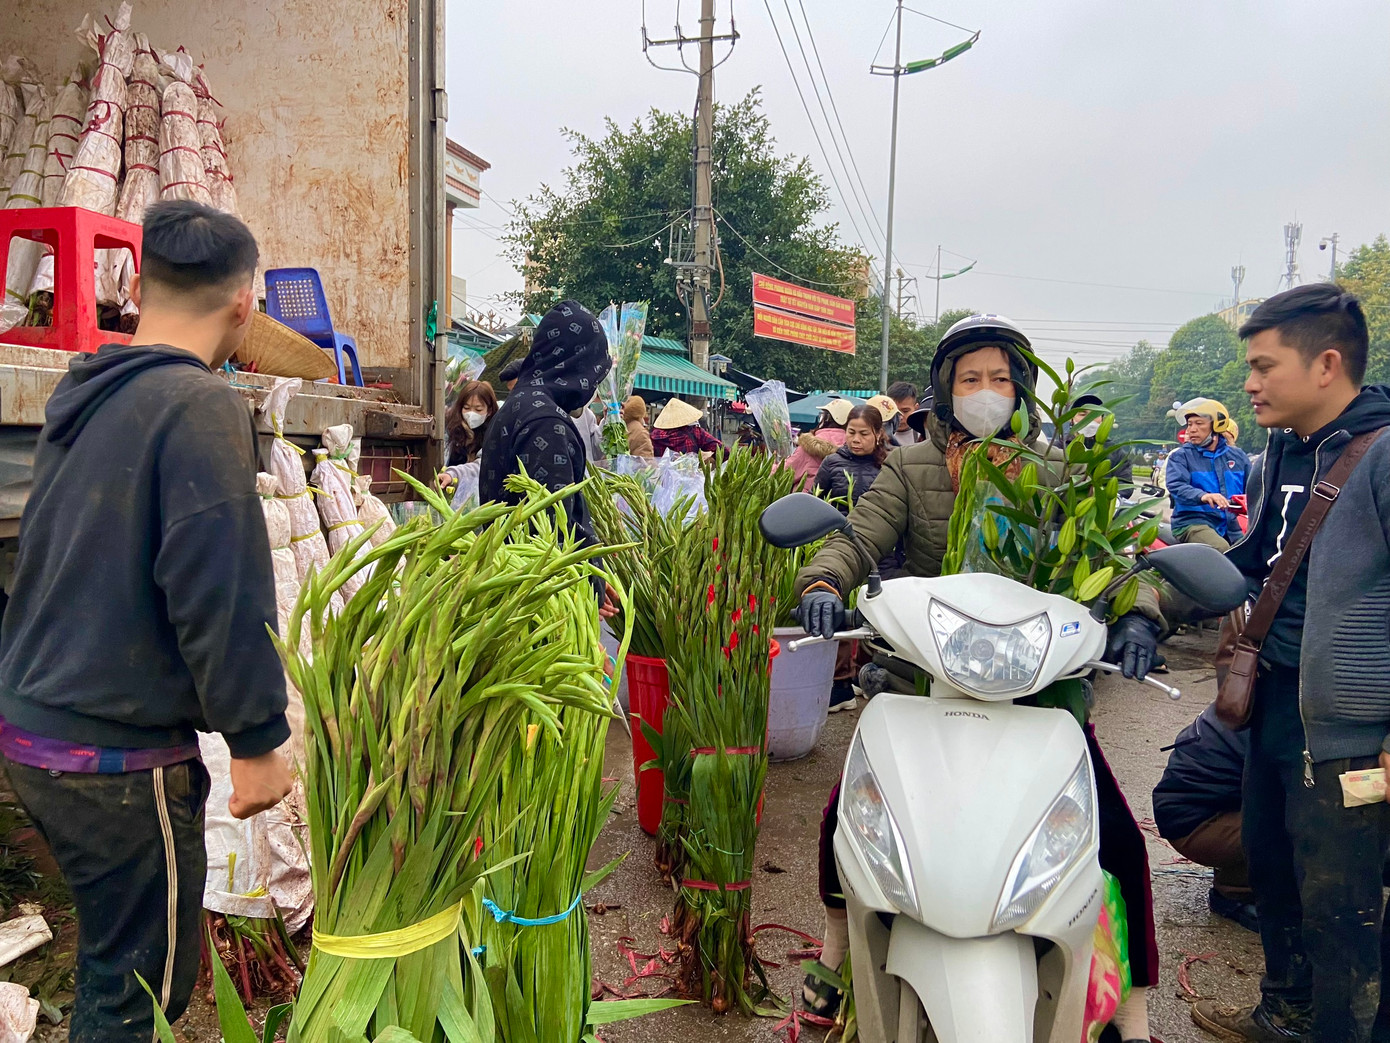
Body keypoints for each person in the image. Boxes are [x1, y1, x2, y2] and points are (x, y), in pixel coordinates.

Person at [793, 315, 1160, 1042]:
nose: (985, 392)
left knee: (1117, 838)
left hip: (1037, 688)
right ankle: (838, 951)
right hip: (923, 678)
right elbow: (860, 535)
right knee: (848, 817)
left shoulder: (1057, 471)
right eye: (970, 378)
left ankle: (1135, 1009)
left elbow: (1117, 557)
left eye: (999, 378)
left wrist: (1140, 612)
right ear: (944, 388)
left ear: (1022, 387)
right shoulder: (908, 466)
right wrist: (824, 582)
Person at [0, 201, 293, 1041]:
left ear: (140, 285)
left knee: (108, 959)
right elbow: (220, 591)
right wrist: (255, 745)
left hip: (36, 731)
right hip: (115, 760)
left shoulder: (84, 391)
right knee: (142, 990)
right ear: (245, 302)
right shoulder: (198, 405)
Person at [1112, 284, 1390, 1043]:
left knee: (1347, 904)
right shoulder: (1275, 459)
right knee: (1275, 868)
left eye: (1265, 365)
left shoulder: (1383, 455)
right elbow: (1238, 568)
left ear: (1327, 364)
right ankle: (1285, 1011)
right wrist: (1140, 606)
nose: (1250, 383)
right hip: (1272, 711)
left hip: (1356, 739)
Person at [813, 401, 894, 712]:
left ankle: (867, 675)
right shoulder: (832, 463)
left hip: (881, 554)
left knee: (876, 618)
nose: (856, 439)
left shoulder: (889, 466)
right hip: (842, 550)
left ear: (878, 434)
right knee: (842, 616)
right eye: (851, 432)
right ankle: (840, 683)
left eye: (863, 433)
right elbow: (817, 503)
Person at [1153, 705, 1256, 932]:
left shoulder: (1247, 697)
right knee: (1295, 824)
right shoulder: (1275, 720)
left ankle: (1236, 870)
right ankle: (1234, 893)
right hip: (1195, 825)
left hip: (1195, 810)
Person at [1165, 398, 1251, 550]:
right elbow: (1176, 486)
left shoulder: (1238, 457)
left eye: (1199, 423)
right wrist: (1203, 496)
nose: (1191, 429)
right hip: (1193, 523)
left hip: (1232, 525)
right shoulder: (1180, 456)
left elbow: (1255, 489)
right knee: (1222, 550)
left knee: (1253, 557)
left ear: (1216, 427)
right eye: (1190, 424)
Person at [1071, 392, 1135, 491]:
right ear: (1071, 419)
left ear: (1103, 420)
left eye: (1095, 415)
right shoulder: (1059, 449)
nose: (1089, 419)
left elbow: (1125, 485)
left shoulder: (1115, 452)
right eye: (1083, 414)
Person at [787, 398, 851, 490]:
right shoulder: (855, 448)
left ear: (826, 418)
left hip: (807, 502)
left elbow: (782, 473)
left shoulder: (808, 446)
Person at [445, 379, 498, 466]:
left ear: (489, 411)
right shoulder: (450, 428)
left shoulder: (493, 433)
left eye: (478, 409)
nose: (471, 414)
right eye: (466, 408)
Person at [650, 398, 725, 457]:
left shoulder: (653, 436)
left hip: (660, 475)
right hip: (688, 475)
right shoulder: (695, 432)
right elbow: (721, 450)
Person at [887, 380, 920, 446]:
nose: (900, 417)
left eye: (905, 411)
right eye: (895, 411)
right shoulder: (879, 438)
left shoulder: (924, 437)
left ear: (916, 408)